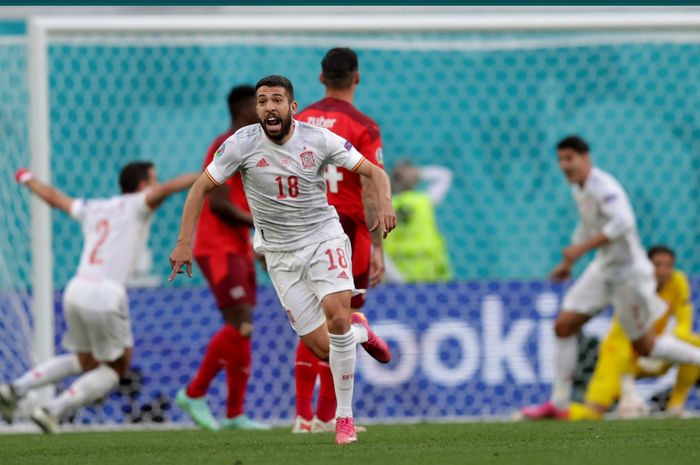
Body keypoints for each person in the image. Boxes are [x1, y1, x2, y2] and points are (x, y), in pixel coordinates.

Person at [169, 75, 396, 445]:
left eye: (276, 100)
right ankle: (362, 332)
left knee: (337, 317)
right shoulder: (240, 145)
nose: (268, 107)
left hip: (324, 238)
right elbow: (200, 187)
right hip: (280, 254)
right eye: (262, 101)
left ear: (292, 107)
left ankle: (343, 419)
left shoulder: (317, 139)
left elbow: (373, 171)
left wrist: (385, 201)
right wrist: (183, 243)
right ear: (256, 110)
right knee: (322, 347)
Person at [0, 163, 197, 433]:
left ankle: (16, 388)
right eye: (153, 178)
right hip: (105, 293)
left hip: (77, 288)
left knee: (86, 360)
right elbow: (167, 189)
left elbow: (55, 198)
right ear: (142, 186)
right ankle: (52, 410)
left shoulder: (94, 208)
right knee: (118, 365)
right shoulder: (138, 204)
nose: (157, 182)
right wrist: (211, 173)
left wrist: (27, 178)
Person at [521, 135, 700, 420]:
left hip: (628, 276)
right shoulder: (579, 189)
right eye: (561, 160)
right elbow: (587, 225)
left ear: (585, 158)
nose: (565, 165)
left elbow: (623, 222)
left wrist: (581, 248)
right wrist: (570, 260)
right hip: (603, 269)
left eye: (570, 159)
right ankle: (559, 402)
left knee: (647, 347)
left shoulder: (604, 187)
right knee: (564, 325)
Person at [293, 47, 385, 433]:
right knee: (341, 319)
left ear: (320, 78)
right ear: (357, 78)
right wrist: (378, 244)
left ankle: (303, 417)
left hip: (301, 229)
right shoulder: (363, 125)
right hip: (345, 229)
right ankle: (331, 416)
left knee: (311, 319)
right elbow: (369, 185)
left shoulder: (299, 121)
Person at [175, 85, 269, 431]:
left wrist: (259, 242)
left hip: (239, 249)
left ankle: (234, 414)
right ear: (242, 109)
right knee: (239, 323)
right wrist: (261, 225)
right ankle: (194, 392)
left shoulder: (253, 146)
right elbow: (217, 204)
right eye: (258, 105)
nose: (263, 112)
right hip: (217, 248)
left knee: (244, 330)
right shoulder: (224, 144)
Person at [558, 245, 700, 420]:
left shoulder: (678, 281)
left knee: (696, 344)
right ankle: (551, 413)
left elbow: (684, 323)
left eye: (668, 265)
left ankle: (676, 406)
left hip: (657, 352)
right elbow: (622, 336)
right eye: (658, 265)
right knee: (593, 412)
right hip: (623, 356)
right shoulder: (635, 286)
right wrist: (628, 382)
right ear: (648, 267)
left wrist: (668, 341)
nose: (663, 270)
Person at [383, 160, 452, 283]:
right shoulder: (425, 201)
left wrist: (397, 279)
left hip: (406, 279)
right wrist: (419, 174)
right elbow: (444, 176)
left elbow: (445, 176)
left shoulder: (386, 207)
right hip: (427, 277)